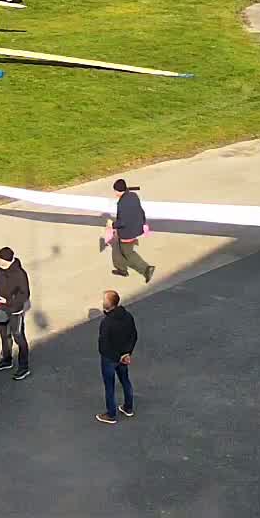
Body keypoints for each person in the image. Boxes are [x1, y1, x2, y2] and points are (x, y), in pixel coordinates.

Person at [95, 289, 138, 424]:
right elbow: (133, 335)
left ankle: (111, 414)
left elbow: (104, 345)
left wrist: (117, 356)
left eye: (104, 300)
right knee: (125, 380)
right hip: (124, 356)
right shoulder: (128, 316)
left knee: (110, 386)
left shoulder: (107, 323)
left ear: (109, 304)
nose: (102, 302)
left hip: (110, 359)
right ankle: (128, 407)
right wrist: (127, 354)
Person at [0, 246, 31, 379]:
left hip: (15, 311)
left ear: (7, 260)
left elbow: (24, 294)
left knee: (18, 337)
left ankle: (24, 367)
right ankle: (7, 360)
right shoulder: (2, 270)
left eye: (1, 260)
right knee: (4, 335)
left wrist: (8, 300)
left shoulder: (20, 274)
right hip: (1, 309)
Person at [106, 179, 155, 283]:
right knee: (117, 248)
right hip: (137, 228)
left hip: (127, 233)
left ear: (119, 191)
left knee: (128, 253)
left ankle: (146, 269)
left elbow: (122, 222)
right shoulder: (133, 196)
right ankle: (122, 269)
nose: (114, 193)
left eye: (115, 191)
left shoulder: (122, 204)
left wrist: (112, 225)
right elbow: (141, 211)